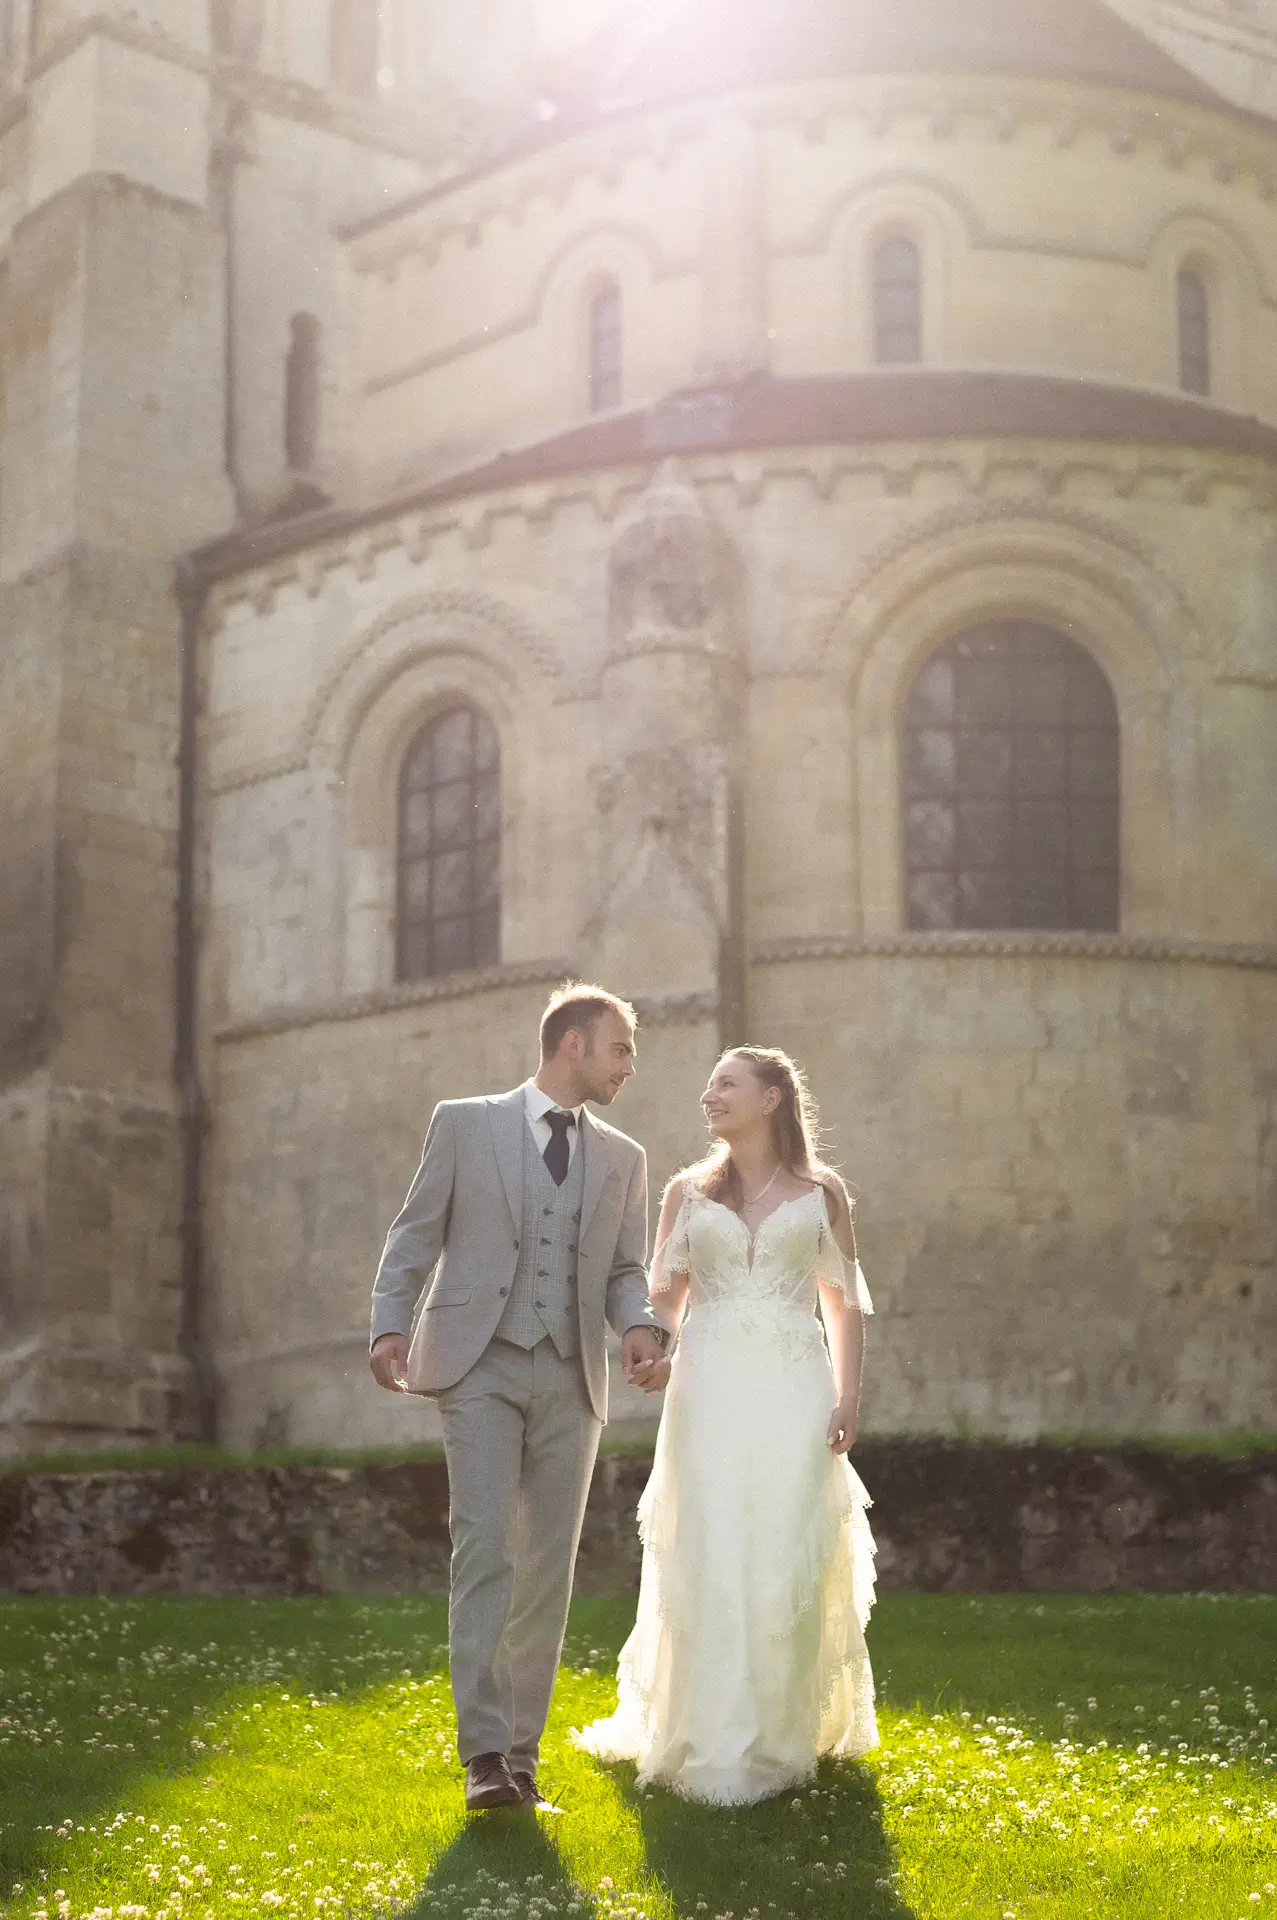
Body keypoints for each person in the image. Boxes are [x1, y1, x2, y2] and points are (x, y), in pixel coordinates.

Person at [369, 983, 670, 1814]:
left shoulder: (624, 1158)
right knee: (485, 1550)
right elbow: (414, 1232)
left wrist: (640, 1326)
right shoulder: (463, 1123)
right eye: (620, 1049)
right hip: (477, 1366)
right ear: (571, 1044)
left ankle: (522, 1761)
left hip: (570, 1377)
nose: (629, 1068)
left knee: (545, 1572)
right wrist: (387, 1325)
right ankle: (482, 1756)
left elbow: (622, 1271)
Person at [573, 1046, 878, 1804]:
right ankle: (702, 1731)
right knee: (709, 1543)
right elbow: (666, 1298)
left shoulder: (820, 1192)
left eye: (726, 1084)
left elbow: (840, 1302)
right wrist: (653, 1349)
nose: (707, 1094)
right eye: (707, 1083)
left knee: (781, 1543)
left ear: (772, 1098)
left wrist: (848, 1397)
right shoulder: (685, 1191)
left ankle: (779, 1734)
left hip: (791, 1385)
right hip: (705, 1389)